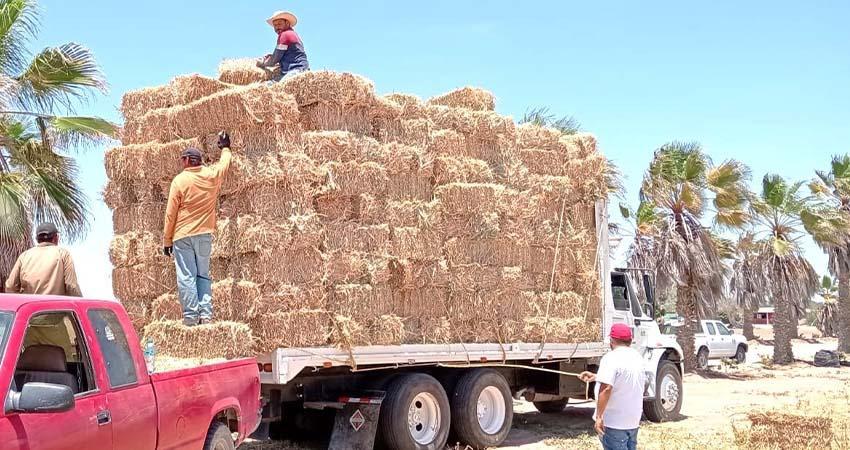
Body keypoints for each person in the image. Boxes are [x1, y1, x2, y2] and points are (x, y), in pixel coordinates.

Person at [163, 132, 232, 326]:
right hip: (204, 234)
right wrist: (225, 148)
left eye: (182, 160)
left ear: (186, 161)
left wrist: (167, 241)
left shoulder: (179, 181)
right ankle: (206, 315)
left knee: (186, 276)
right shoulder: (210, 176)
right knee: (203, 275)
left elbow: (170, 214)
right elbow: (223, 166)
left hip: (182, 236)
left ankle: (191, 317)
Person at [579, 323, 646, 450]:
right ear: (630, 340)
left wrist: (599, 417)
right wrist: (596, 376)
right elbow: (625, 379)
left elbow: (607, 388)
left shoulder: (610, 358)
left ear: (611, 340)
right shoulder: (637, 357)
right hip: (632, 422)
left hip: (614, 423)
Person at [4, 223, 81, 297]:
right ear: (56, 237)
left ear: (37, 239)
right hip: (56, 308)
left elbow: (10, 286)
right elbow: (71, 286)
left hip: (29, 308)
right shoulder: (63, 254)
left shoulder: (24, 256)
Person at [256, 10, 309, 81]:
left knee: (270, 87)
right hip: (302, 68)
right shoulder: (292, 34)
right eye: (275, 25)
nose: (277, 27)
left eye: (279, 24)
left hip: (296, 70)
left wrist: (262, 63)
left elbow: (274, 59)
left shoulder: (285, 35)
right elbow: (283, 55)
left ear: (287, 23)